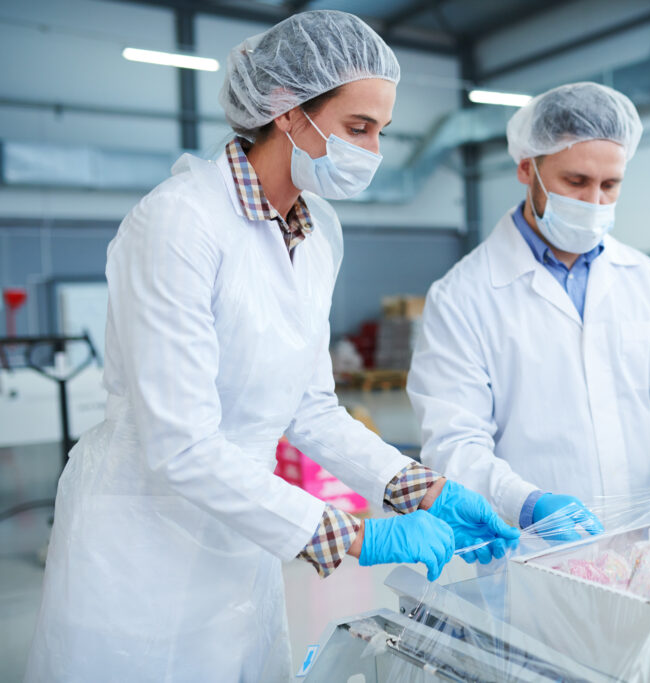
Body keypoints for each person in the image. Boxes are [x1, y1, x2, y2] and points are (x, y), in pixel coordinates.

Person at [25, 11, 517, 682]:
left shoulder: (318, 232)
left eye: (380, 131)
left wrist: (416, 486)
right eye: (357, 128)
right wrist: (356, 534)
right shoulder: (179, 221)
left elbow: (310, 407)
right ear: (287, 113)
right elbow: (182, 445)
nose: (372, 152)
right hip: (143, 536)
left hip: (245, 529)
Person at [407, 82, 650, 540]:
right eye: (576, 182)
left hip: (640, 541)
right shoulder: (462, 296)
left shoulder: (645, 280)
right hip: (531, 547)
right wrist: (525, 504)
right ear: (527, 168)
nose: (594, 203)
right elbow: (454, 441)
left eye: (610, 185)